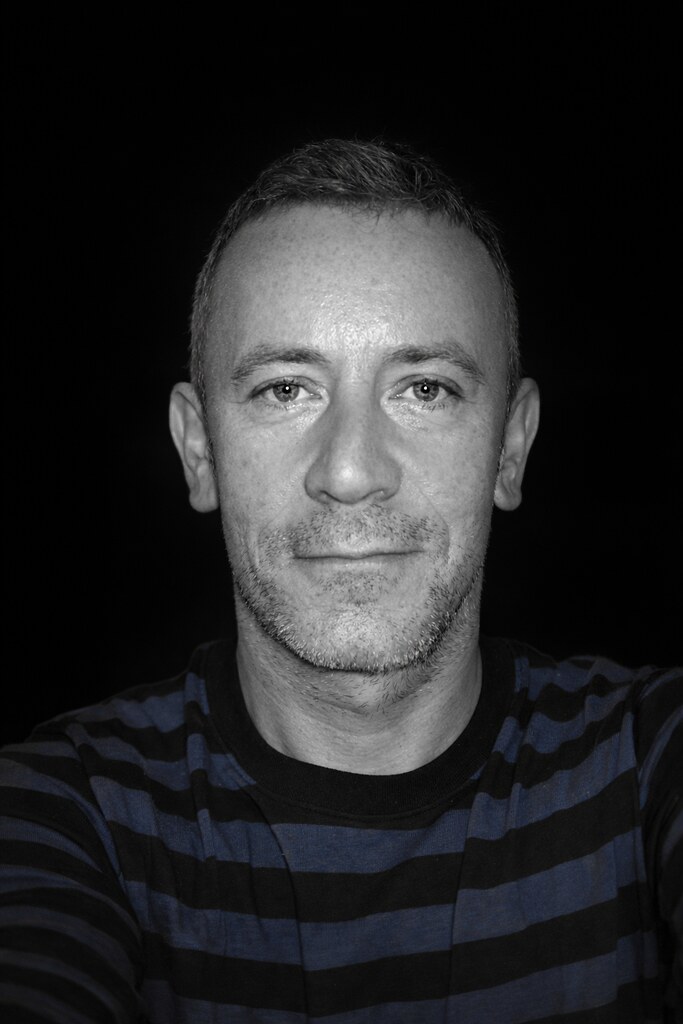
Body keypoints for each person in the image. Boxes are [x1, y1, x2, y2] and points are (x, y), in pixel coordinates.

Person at [0, 139, 680, 1023]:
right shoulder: (58, 811)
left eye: (424, 389)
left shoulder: (650, 759)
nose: (351, 473)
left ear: (510, 448)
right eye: (285, 390)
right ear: (198, 450)